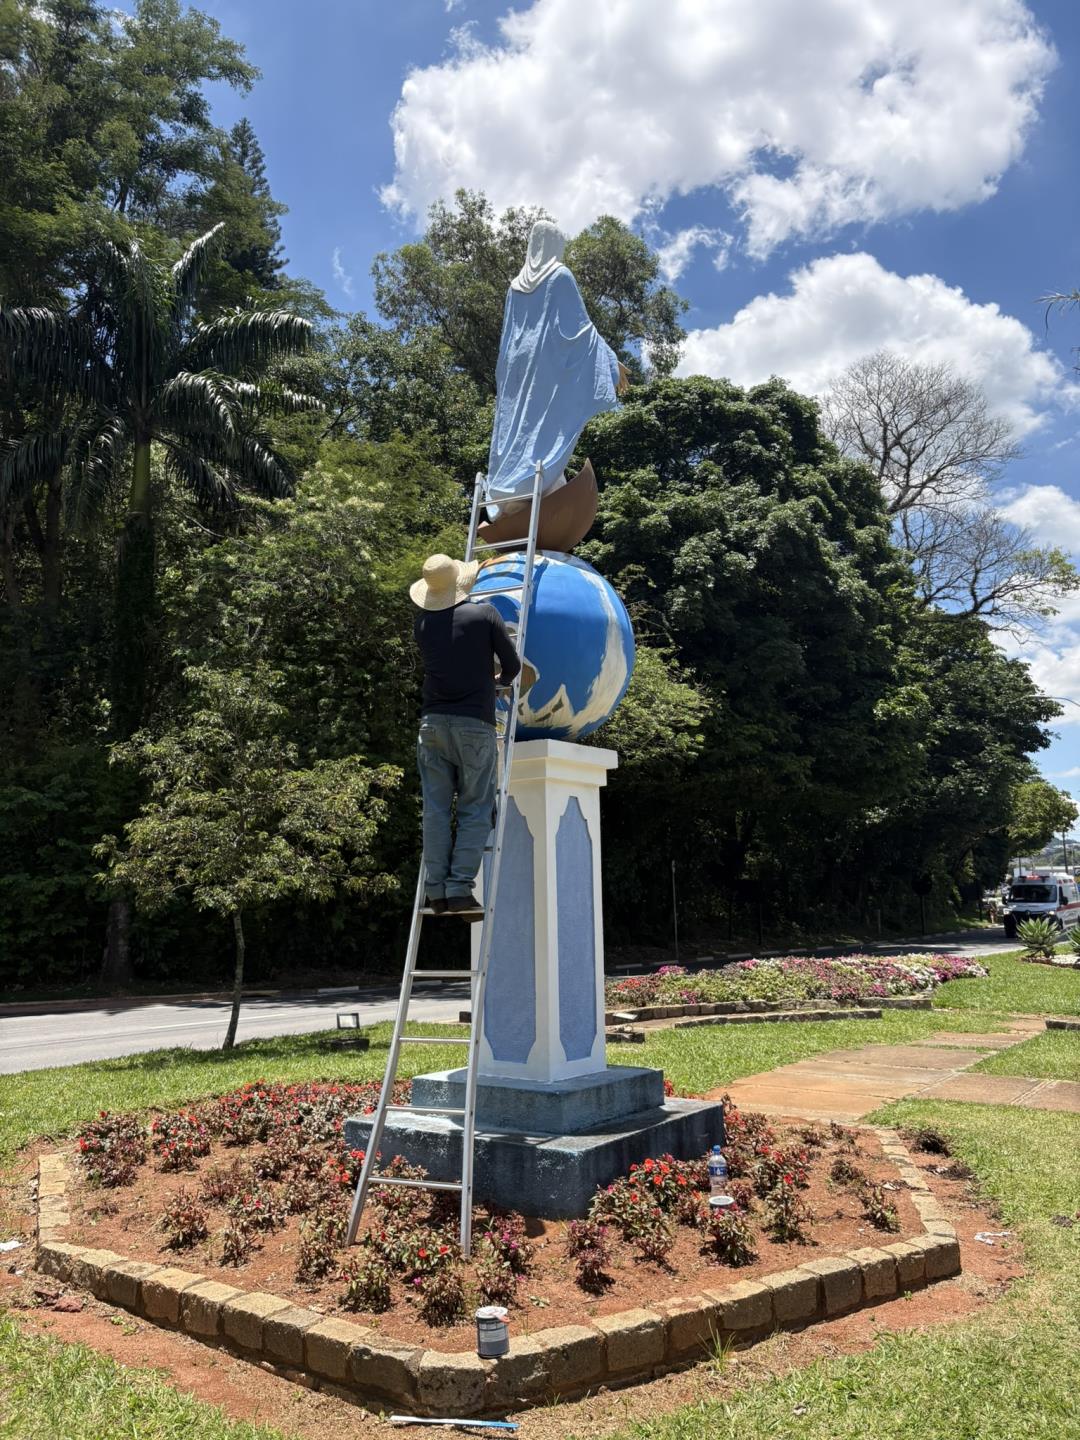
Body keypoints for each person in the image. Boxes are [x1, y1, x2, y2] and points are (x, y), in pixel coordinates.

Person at [485, 220, 629, 519]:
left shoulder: (514, 287)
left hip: (516, 366)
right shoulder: (560, 275)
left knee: (518, 423)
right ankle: (533, 482)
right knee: (545, 419)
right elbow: (579, 330)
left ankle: (515, 484)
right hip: (546, 362)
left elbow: (508, 338)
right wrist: (610, 359)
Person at [410, 553, 521, 920]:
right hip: (474, 725)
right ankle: (459, 890)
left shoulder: (422, 623)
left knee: (437, 810)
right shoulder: (484, 613)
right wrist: (499, 684)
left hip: (432, 725)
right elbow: (513, 665)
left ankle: (436, 892)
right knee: (476, 807)